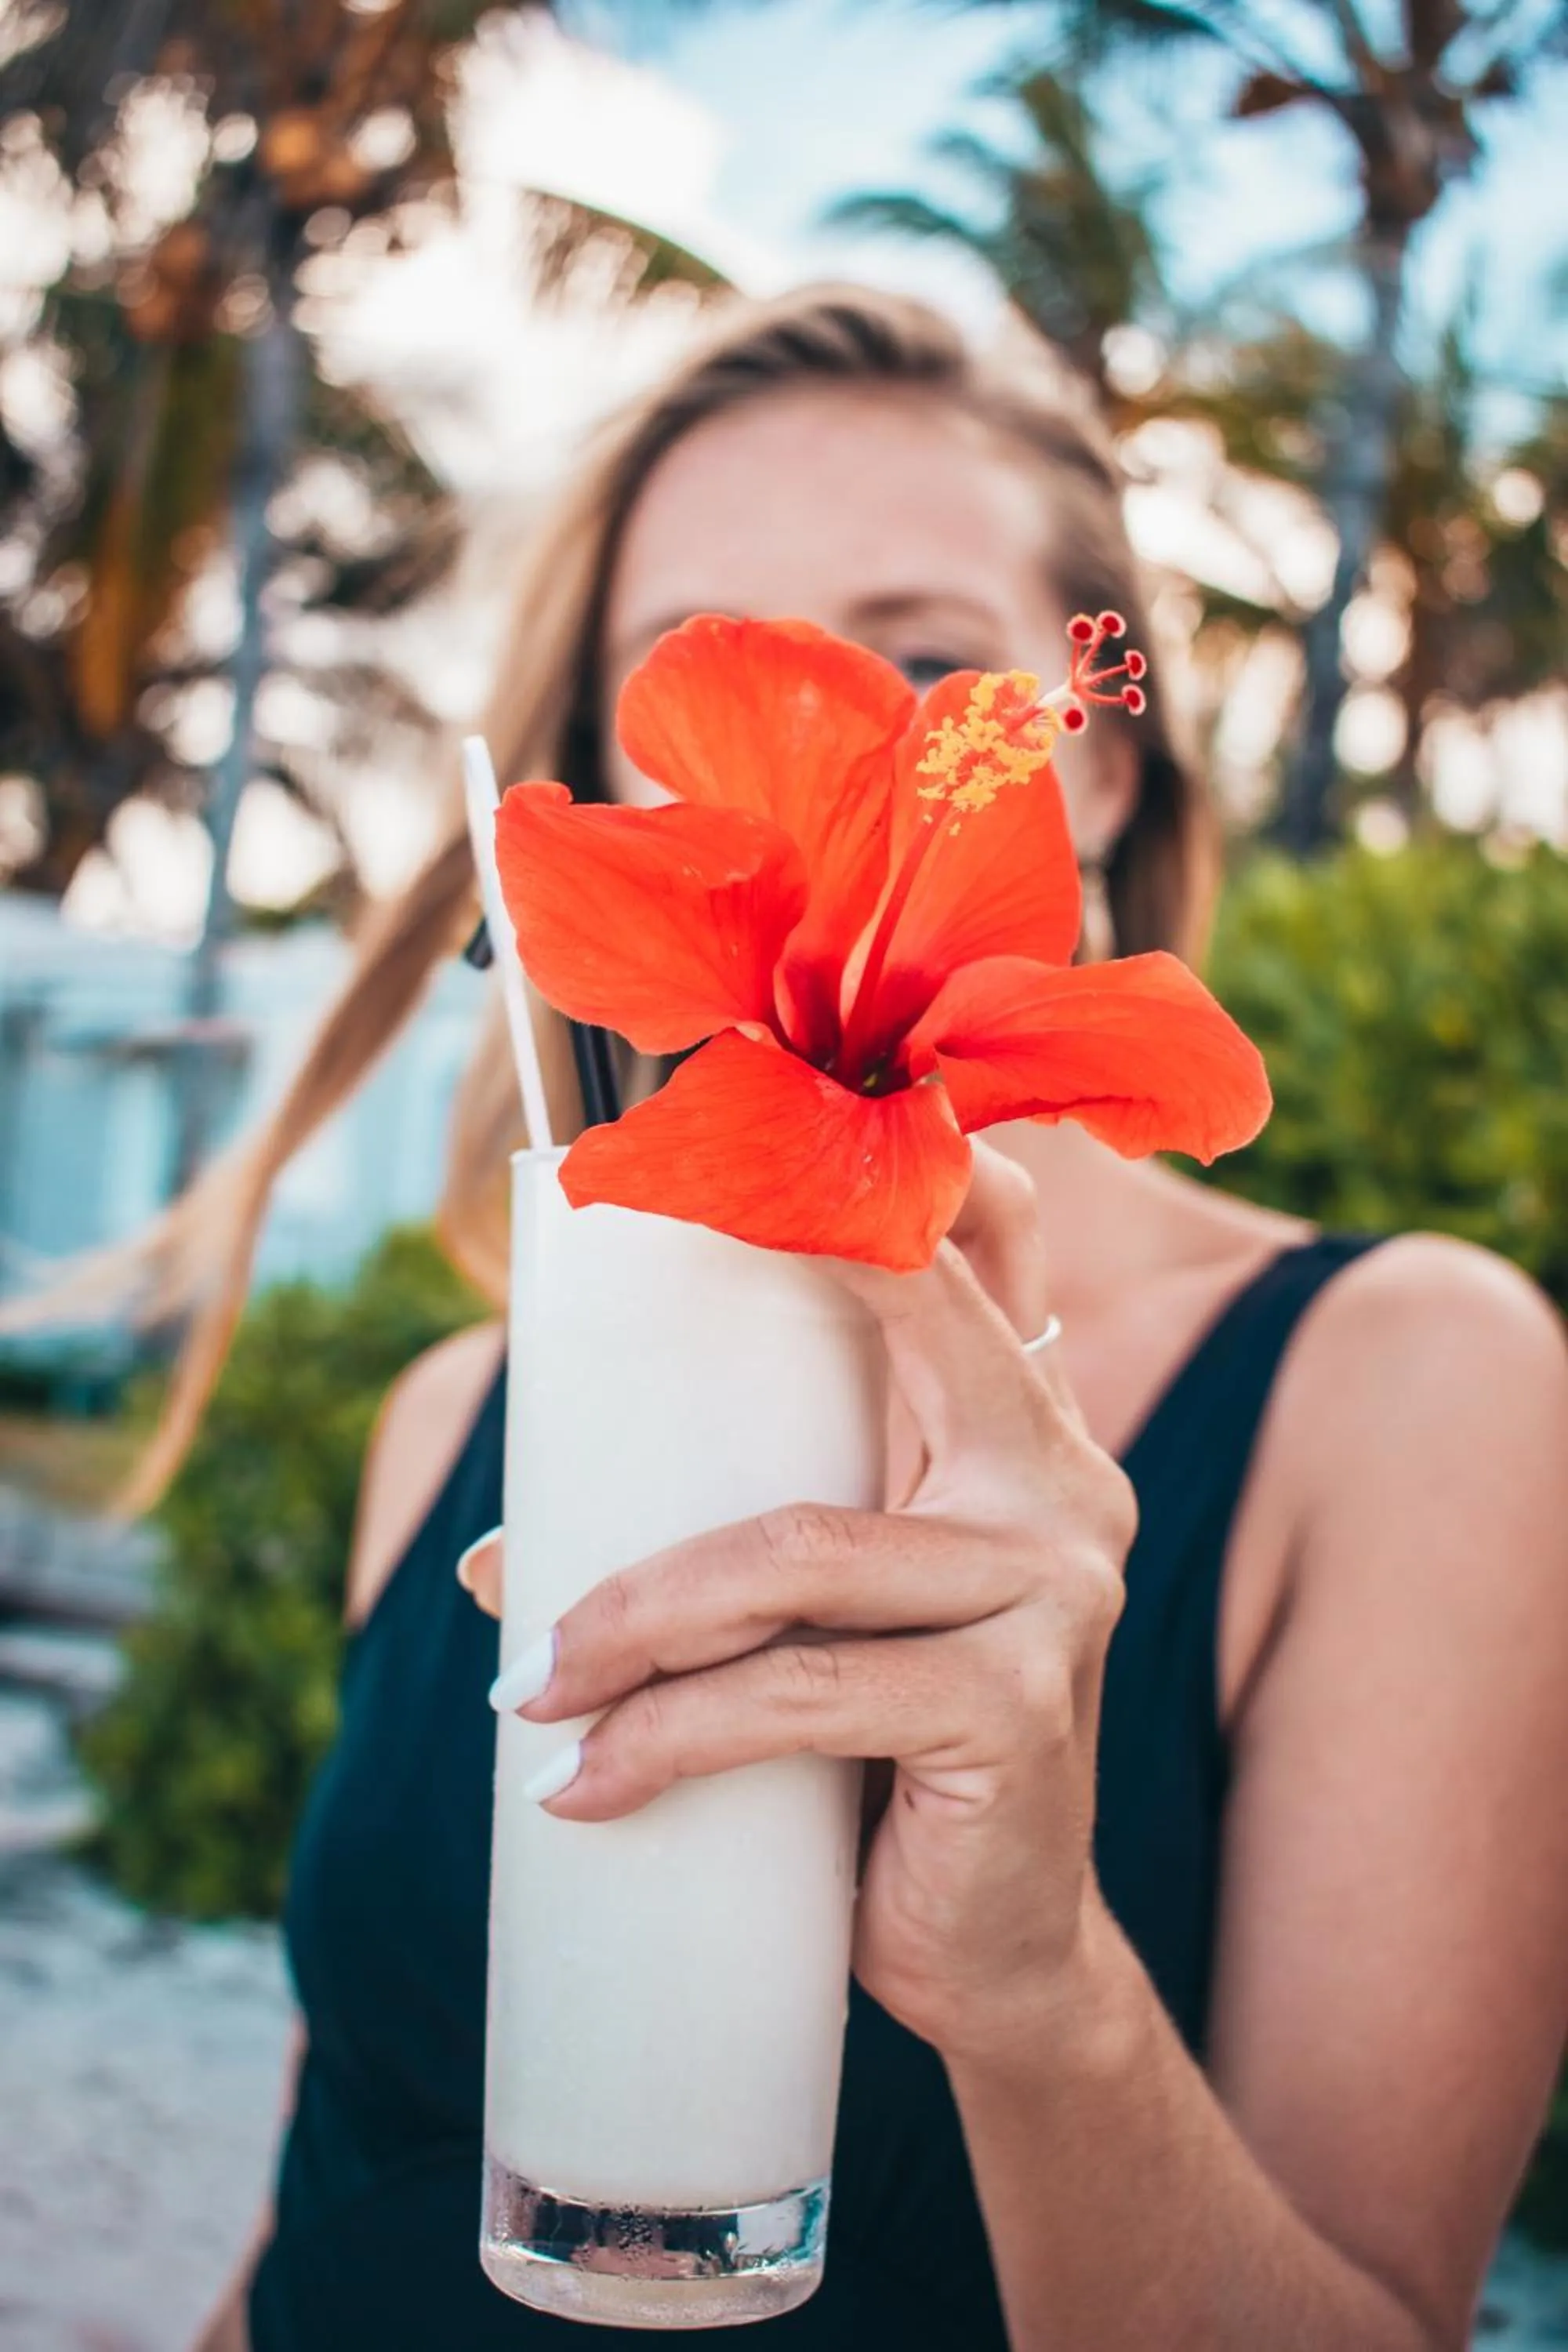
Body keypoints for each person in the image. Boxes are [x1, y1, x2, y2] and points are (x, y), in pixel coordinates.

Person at [155, 288, 1568, 2350]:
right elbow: (342, 2178)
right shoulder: (459, 1409)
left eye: (925, 660)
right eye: (716, 656)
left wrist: (1039, 1996)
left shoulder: (1415, 1386)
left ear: (1093, 759)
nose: (868, 752)